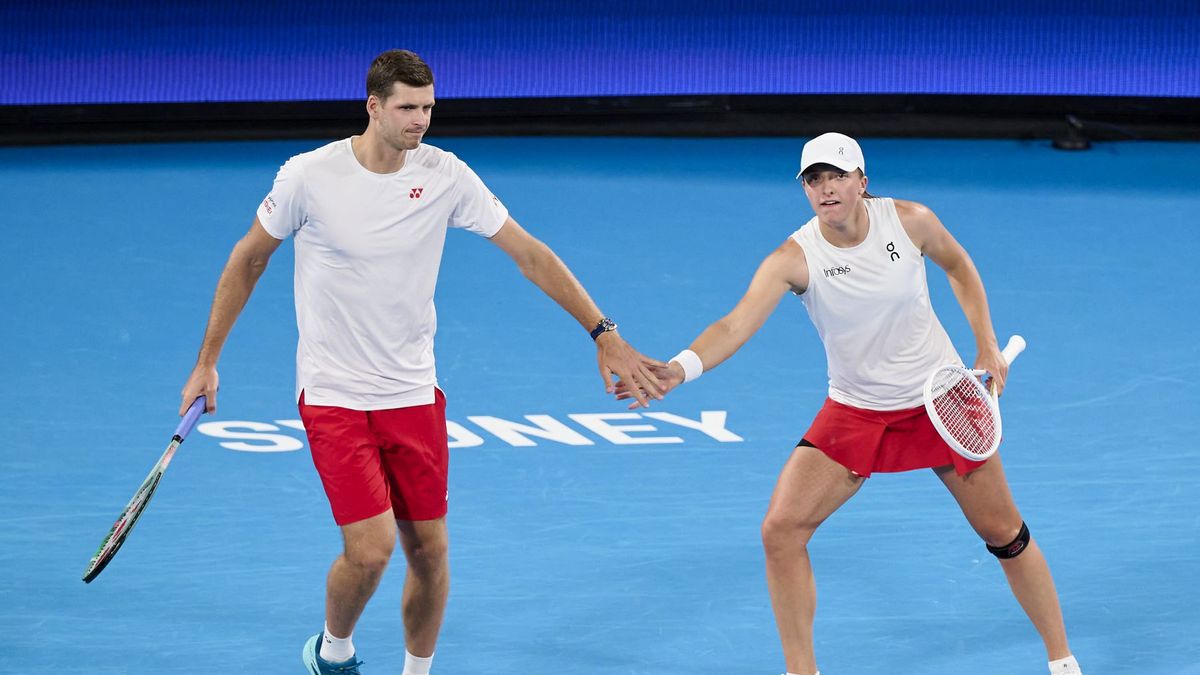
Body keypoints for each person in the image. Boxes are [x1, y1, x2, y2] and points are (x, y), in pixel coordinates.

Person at [178, 49, 664, 675]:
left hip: (413, 395)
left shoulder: (445, 175)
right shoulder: (309, 176)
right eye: (407, 107)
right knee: (371, 550)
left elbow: (530, 254)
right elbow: (249, 258)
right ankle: (334, 650)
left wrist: (603, 332)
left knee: (430, 553)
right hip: (335, 395)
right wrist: (207, 361)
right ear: (373, 105)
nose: (421, 120)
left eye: (428, 107)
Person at [616, 132, 1081, 675]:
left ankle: (1063, 660)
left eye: (837, 176)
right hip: (857, 410)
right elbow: (735, 324)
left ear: (863, 182)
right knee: (780, 530)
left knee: (1005, 534)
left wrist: (985, 342)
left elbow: (958, 266)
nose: (826, 188)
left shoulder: (911, 222)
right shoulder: (793, 257)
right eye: (814, 179)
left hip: (941, 403)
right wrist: (678, 369)